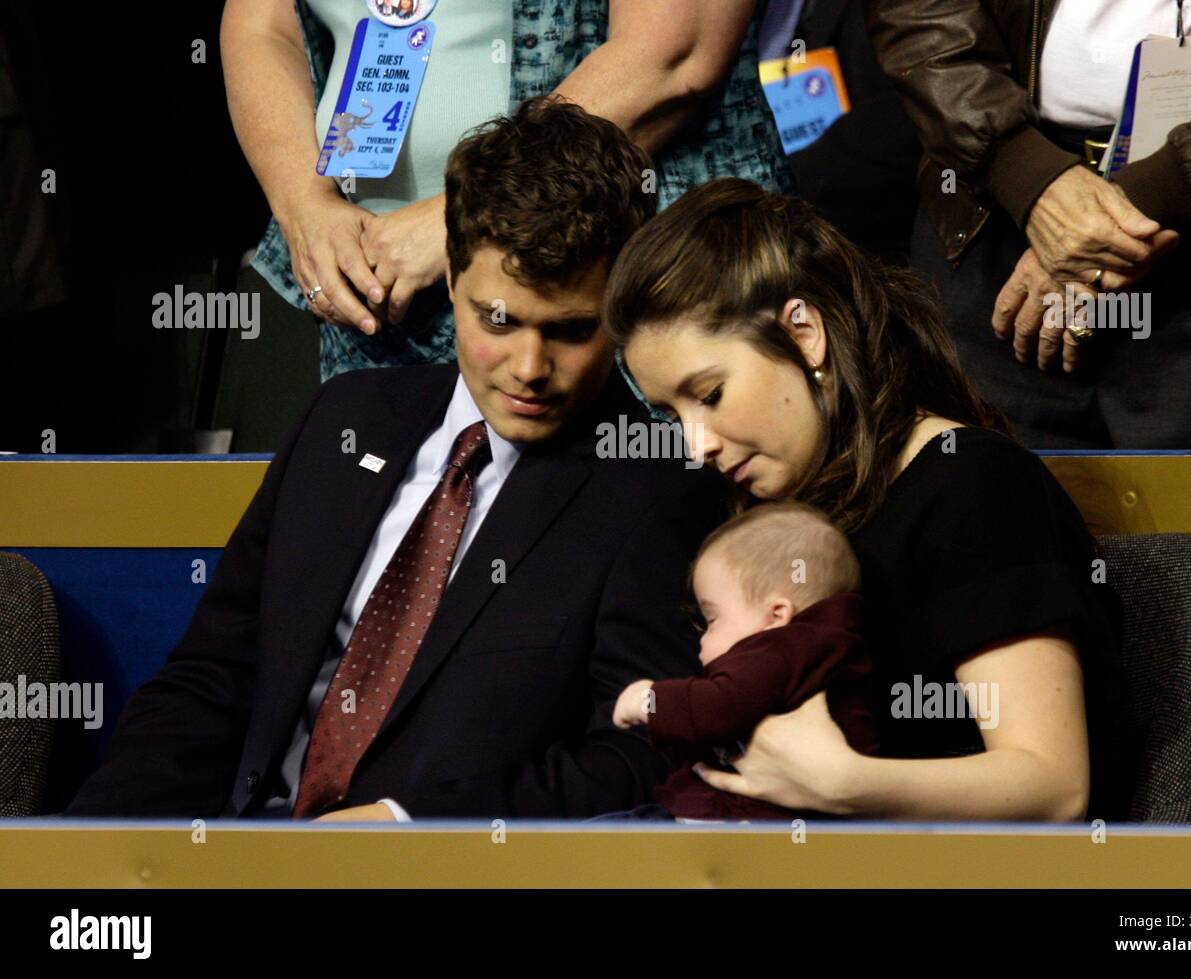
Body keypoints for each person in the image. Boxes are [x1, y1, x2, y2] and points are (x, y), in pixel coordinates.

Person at [65, 99, 727, 822]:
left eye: (571, 330)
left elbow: (638, 758)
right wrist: (92, 848)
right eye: (498, 320)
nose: (531, 367)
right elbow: (212, 678)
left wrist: (410, 821)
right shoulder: (344, 418)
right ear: (451, 279)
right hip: (243, 850)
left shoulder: (655, 489)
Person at [604, 178, 1134, 822]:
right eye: (670, 413)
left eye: (709, 394)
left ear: (803, 334)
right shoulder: (776, 511)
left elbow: (1054, 788)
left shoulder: (974, 485)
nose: (697, 445)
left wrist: (842, 781)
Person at [222, 0, 792, 382]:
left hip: (609, 274)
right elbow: (263, 27)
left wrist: (466, 217)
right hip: (370, 298)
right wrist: (305, 206)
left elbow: (676, 53)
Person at [866, 0, 1191, 449]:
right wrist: (1024, 174)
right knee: (987, 500)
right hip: (988, 213)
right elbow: (916, 16)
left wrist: (1126, 208)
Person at [612, 501, 876, 822]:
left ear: (776, 615)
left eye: (712, 619)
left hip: (740, 820)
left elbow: (718, 708)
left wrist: (650, 699)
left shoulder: (782, 648)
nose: (702, 640)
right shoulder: (816, 651)